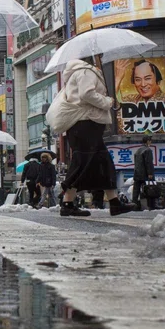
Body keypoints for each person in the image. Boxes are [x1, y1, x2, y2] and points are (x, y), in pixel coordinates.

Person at [53, 56, 137, 217]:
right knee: (82, 164)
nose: (102, 58)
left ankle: (112, 202)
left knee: (102, 163)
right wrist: (107, 102)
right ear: (92, 58)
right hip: (86, 124)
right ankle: (68, 203)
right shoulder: (85, 71)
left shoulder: (80, 72)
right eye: (100, 56)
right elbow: (87, 94)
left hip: (84, 125)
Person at [133, 135, 156, 210]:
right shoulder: (148, 150)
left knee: (136, 190)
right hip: (145, 174)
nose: (151, 142)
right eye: (150, 141)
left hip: (137, 173)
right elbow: (148, 163)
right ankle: (150, 205)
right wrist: (150, 173)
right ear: (148, 141)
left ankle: (134, 204)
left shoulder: (138, 150)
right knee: (150, 189)